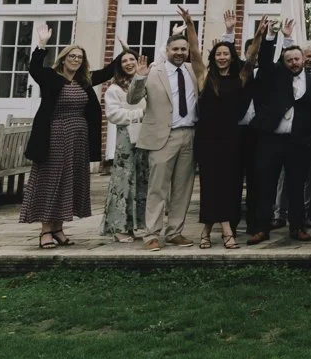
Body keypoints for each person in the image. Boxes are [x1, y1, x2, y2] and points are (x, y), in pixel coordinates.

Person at [21, 27, 101, 249]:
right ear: (64, 59)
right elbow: (34, 68)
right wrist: (42, 44)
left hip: (78, 138)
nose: (76, 59)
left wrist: (125, 54)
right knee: (52, 180)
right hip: (55, 135)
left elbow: (110, 71)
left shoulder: (84, 81)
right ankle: (45, 230)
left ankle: (58, 228)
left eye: (79, 57)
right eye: (72, 56)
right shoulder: (50, 77)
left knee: (69, 181)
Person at [248, 25, 311, 244]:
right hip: (271, 139)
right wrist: (271, 36)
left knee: (296, 187)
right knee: (266, 185)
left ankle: (297, 227)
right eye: (289, 60)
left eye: (297, 59)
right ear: (284, 61)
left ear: (303, 59)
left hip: (298, 142)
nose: (294, 63)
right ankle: (263, 228)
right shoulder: (276, 77)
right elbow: (263, 60)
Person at [135, 23, 201, 251]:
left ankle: (175, 232)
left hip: (189, 135)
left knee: (183, 189)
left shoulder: (193, 71)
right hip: (163, 137)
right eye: (176, 49)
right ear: (168, 49)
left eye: (184, 49)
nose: (180, 53)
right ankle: (151, 234)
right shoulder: (154, 72)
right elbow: (133, 99)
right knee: (157, 189)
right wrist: (139, 78)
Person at [195, 22, 253, 250]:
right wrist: (191, 25)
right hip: (207, 138)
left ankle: (207, 230)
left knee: (228, 185)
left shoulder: (239, 78)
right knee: (210, 183)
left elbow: (253, 58)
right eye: (218, 54)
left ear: (231, 56)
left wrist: (259, 35)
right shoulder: (204, 78)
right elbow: (193, 52)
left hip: (231, 138)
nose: (221, 57)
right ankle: (227, 230)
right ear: (213, 57)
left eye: (225, 53)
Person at [100, 50, 148, 243]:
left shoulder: (144, 84)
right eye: (124, 61)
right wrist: (139, 114)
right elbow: (113, 115)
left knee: (141, 181)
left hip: (145, 138)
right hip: (126, 139)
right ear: (119, 66)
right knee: (123, 183)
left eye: (132, 59)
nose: (128, 63)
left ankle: (136, 225)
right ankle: (118, 227)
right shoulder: (114, 89)